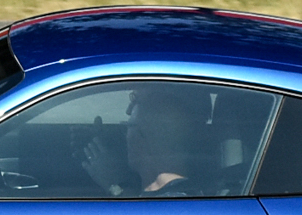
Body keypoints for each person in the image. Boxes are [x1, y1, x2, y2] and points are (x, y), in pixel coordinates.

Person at [79, 83, 208, 196]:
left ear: (140, 140)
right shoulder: (190, 200)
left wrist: (114, 185)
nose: (127, 110)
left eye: (129, 127)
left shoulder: (173, 207)